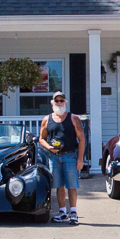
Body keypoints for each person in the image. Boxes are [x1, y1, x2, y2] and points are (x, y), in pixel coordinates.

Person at [37, 89, 86, 223]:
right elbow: (41, 138)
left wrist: (80, 159)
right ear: (52, 103)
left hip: (70, 155)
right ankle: (62, 212)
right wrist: (49, 147)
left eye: (61, 100)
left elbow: (82, 139)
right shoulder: (47, 119)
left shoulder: (74, 118)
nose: (59, 103)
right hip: (54, 157)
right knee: (58, 186)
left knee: (71, 185)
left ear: (65, 102)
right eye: (56, 101)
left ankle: (74, 213)